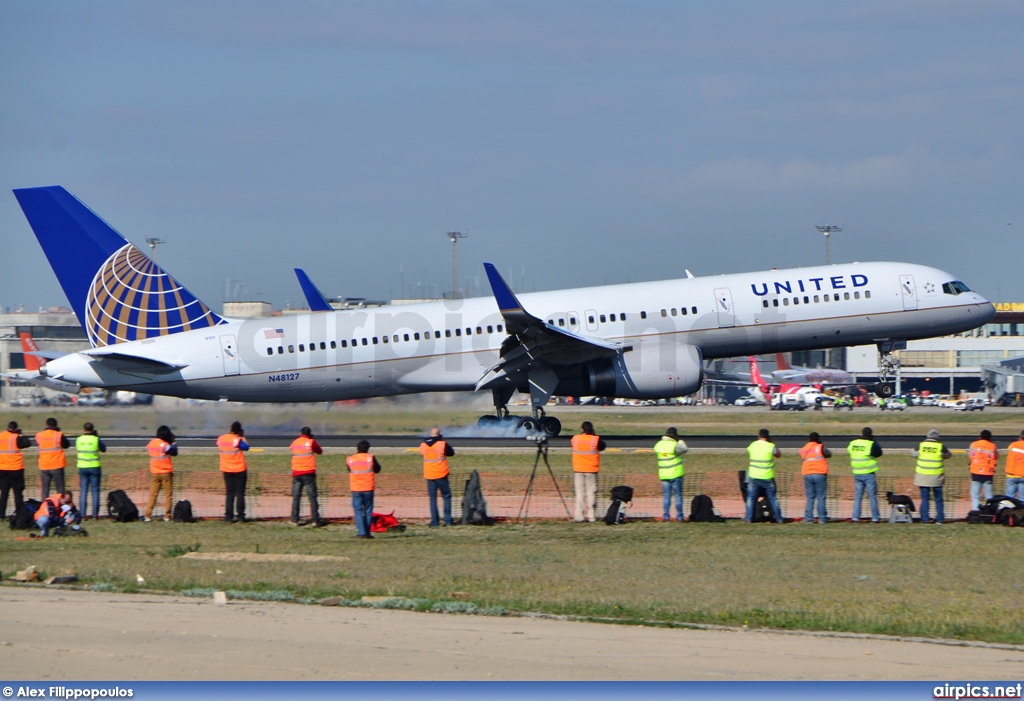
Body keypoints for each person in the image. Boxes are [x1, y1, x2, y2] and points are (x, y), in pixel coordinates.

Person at [744, 428, 783, 523]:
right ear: (768, 437)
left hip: (754, 476)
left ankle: (748, 518)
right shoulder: (770, 446)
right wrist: (771, 443)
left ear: (759, 436)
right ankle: (779, 518)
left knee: (751, 498)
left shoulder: (753, 445)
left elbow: (749, 451)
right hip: (767, 476)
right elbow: (778, 454)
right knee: (773, 498)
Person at [913, 429, 951, 523]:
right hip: (936, 477)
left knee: (925, 499)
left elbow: (913, 453)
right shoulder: (940, 446)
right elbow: (948, 455)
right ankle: (940, 519)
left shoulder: (921, 445)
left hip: (923, 476)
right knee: (938, 499)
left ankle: (925, 519)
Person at [570, 421, 606, 522]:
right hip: (591, 470)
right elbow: (602, 446)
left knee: (579, 494)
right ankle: (591, 516)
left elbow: (573, 446)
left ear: (582, 429)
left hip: (578, 469)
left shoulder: (575, 438)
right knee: (591, 493)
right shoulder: (595, 439)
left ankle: (579, 516)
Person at [420, 427, 455, 527]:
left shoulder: (423, 445)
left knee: (433, 499)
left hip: (430, 475)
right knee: (446, 497)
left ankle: (435, 522)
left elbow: (424, 453)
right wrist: (442, 441)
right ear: (439, 435)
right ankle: (448, 520)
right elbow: (451, 452)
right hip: (441, 474)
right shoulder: (441, 444)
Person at [847, 426, 882, 523]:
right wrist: (874, 441)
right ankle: (875, 517)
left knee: (858, 496)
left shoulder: (853, 443)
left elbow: (849, 450)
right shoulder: (870, 444)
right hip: (868, 473)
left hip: (857, 472)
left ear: (861, 433)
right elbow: (878, 453)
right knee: (872, 496)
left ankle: (855, 517)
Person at [346, 439, 381, 538]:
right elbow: (378, 469)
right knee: (368, 511)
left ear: (357, 448)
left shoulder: (350, 459)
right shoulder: (370, 458)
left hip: (356, 488)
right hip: (368, 488)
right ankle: (368, 533)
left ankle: (361, 532)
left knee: (358, 511)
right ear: (368, 449)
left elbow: (349, 469)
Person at [290, 427, 323, 526]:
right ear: (310, 434)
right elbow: (319, 451)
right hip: (308, 472)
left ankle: (294, 519)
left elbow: (292, 448)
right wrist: (312, 440)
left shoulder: (295, 442)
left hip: (297, 472)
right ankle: (315, 520)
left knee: (296, 497)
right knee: (312, 497)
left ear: (301, 433)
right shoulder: (310, 442)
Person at [653, 427, 688, 522]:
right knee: (678, 496)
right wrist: (680, 440)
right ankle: (680, 517)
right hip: (676, 474)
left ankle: (666, 516)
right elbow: (684, 449)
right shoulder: (674, 445)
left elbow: (657, 450)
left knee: (666, 497)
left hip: (664, 475)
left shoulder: (658, 445)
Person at [218, 421, 250, 522]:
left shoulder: (221, 438)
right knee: (240, 493)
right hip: (239, 469)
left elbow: (219, 444)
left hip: (226, 469)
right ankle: (240, 516)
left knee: (229, 493)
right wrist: (242, 437)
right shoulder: (237, 440)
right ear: (239, 431)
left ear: (230, 428)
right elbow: (247, 447)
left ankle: (228, 516)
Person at [145, 425, 177, 522]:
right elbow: (174, 452)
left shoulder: (151, 443)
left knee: (152, 494)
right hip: (166, 472)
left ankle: (147, 515)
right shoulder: (164, 445)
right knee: (168, 495)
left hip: (154, 472)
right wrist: (174, 442)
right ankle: (167, 515)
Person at [0, 421, 32, 520]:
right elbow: (28, 443)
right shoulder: (16, 437)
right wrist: (20, 434)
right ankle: (19, 513)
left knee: (4, 494)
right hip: (16, 469)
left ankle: (1, 515)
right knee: (18, 494)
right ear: (15, 429)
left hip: (3, 469)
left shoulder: (1, 436)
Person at [76, 422, 107, 520]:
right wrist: (96, 437)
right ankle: (95, 514)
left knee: (83, 491)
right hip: (94, 467)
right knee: (95, 491)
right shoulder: (96, 439)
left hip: (82, 467)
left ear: (83, 430)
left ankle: (82, 514)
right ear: (93, 430)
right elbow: (104, 449)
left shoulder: (79, 439)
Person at [799, 431, 831, 524]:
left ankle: (809, 518)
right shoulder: (819, 447)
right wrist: (821, 444)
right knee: (821, 497)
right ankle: (822, 518)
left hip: (807, 473)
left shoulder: (804, 448)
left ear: (809, 439)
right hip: (819, 473)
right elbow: (828, 454)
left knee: (810, 497)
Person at [35, 417, 70, 499]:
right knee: (60, 490)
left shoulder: (40, 435)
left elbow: (38, 443)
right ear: (56, 425)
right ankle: (61, 508)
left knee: (45, 490)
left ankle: (44, 509)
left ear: (46, 425)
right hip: (57, 465)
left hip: (44, 465)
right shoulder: (58, 434)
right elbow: (67, 445)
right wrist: (59, 432)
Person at [968, 430, 998, 510]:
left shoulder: (974, 444)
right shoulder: (992, 446)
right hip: (988, 473)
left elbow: (969, 455)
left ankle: (976, 513)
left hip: (976, 473)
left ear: (980, 436)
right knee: (989, 496)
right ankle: (989, 514)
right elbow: (996, 456)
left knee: (975, 496)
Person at [1005, 430, 1024, 500]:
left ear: (1020, 437)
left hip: (1011, 474)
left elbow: (1009, 452)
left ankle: (1008, 510)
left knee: (1009, 499)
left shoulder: (1012, 445)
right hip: (1023, 475)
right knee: (1022, 499)